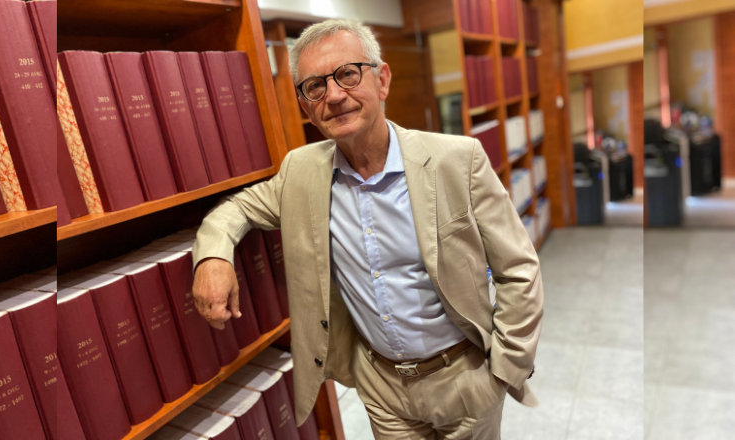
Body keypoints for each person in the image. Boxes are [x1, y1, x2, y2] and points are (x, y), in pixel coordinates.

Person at [192, 19, 543, 439]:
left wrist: (505, 369)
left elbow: (518, 268)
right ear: (305, 105)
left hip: (465, 379)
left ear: (382, 80)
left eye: (347, 74)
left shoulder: (458, 160)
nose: (335, 96)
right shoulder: (300, 173)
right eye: (315, 86)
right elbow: (235, 211)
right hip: (382, 388)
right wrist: (213, 255)